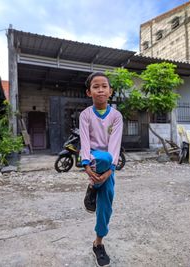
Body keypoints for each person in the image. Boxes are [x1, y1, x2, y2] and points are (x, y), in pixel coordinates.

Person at [79, 72, 123, 267]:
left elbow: (115, 143)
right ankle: (93, 187)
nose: (100, 90)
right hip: (94, 159)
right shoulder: (86, 114)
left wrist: (110, 170)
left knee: (106, 205)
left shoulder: (116, 116)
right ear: (89, 92)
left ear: (110, 91)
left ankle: (98, 243)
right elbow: (85, 140)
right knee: (104, 156)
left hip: (108, 165)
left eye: (104, 86)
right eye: (96, 87)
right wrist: (86, 165)